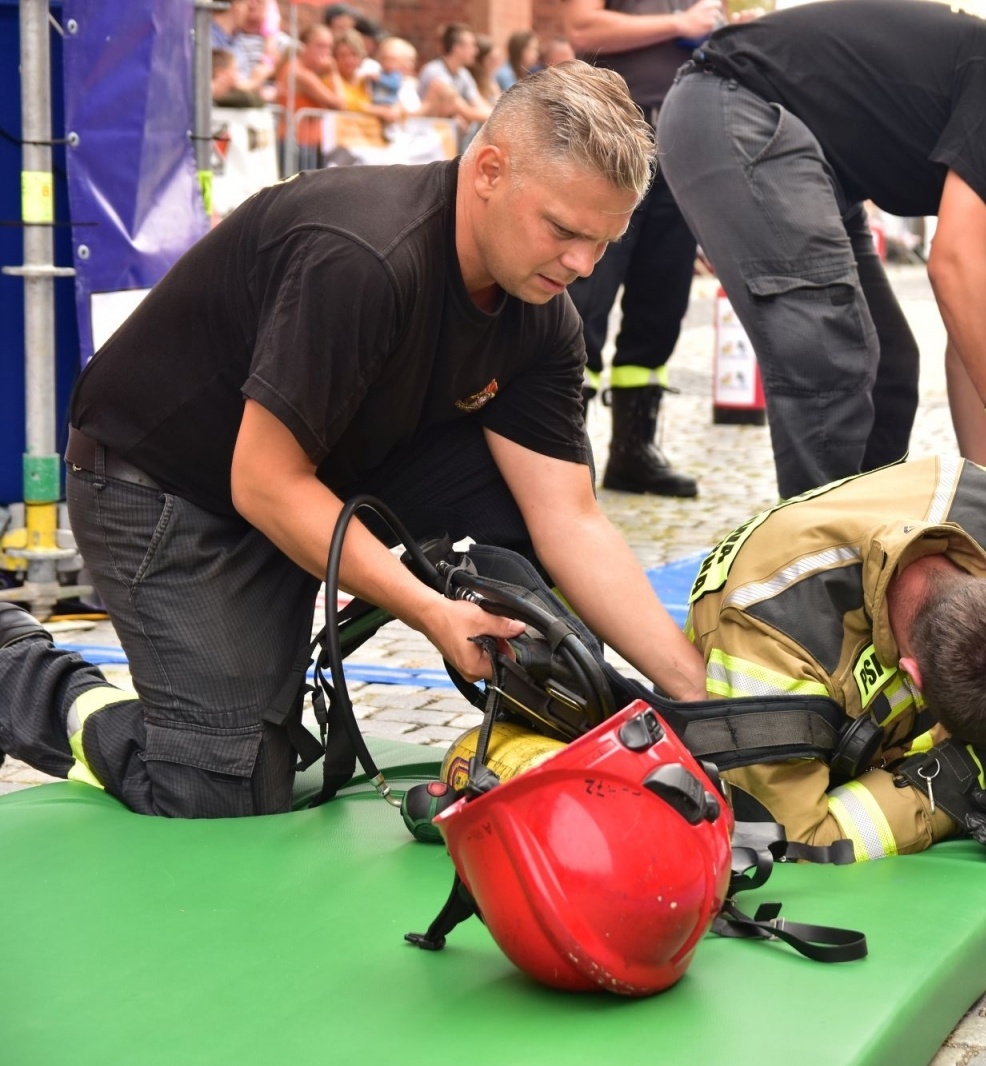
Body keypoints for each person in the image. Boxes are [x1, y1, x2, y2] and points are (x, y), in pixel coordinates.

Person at [0, 64, 706, 819]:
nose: (582, 265)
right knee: (219, 786)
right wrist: (429, 611)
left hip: (313, 475)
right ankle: (18, 668)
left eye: (603, 242)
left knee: (518, 496)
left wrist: (698, 694)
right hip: (164, 489)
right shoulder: (363, 256)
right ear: (489, 172)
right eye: (564, 231)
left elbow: (569, 518)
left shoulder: (543, 312)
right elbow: (265, 484)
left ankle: (546, 728)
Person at [657, 2, 986, 499]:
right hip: (729, 101)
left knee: (889, 367)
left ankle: (863, 555)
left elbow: (969, 343)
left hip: (810, 158)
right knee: (829, 355)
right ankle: (818, 576)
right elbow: (953, 263)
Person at [686, 455, 986, 858]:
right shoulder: (771, 642)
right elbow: (793, 840)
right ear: (912, 676)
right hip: (786, 740)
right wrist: (967, 779)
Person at [564, 0, 729, 498]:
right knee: (583, 299)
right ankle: (562, 455)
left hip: (681, 140)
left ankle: (632, 452)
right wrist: (681, 24)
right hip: (614, 138)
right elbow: (580, 26)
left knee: (662, 303)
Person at [418, 23, 494, 137]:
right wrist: (498, 116)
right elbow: (466, 112)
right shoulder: (435, 72)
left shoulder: (462, 73)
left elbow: (479, 103)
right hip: (425, 136)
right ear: (457, 48)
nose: (476, 51)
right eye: (472, 45)